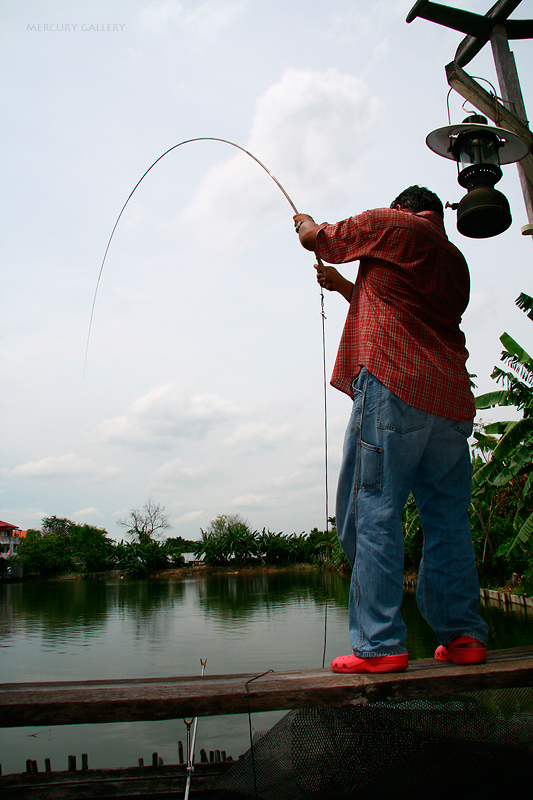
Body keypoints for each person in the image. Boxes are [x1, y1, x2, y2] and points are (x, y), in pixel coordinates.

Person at [294, 186, 489, 674]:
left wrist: (306, 225)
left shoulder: (396, 225)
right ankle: (463, 636)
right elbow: (397, 302)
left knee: (371, 513)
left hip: (394, 385)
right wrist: (342, 286)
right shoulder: (455, 262)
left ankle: (379, 644)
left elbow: (324, 237)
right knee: (447, 520)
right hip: (448, 400)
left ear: (404, 209)